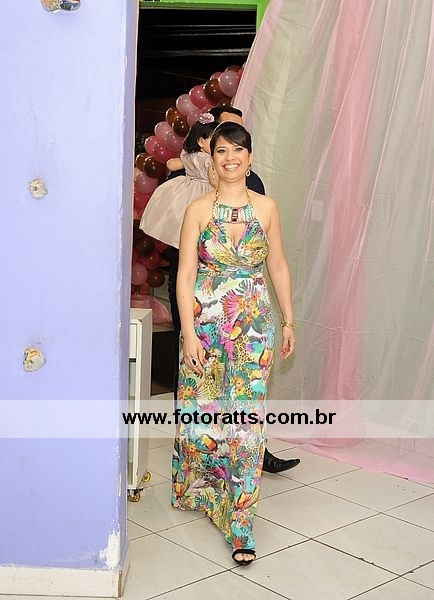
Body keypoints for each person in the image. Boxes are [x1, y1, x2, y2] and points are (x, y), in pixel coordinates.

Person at [172, 122, 295, 565]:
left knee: (246, 421)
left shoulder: (267, 208)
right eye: (222, 150)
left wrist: (289, 320)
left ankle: (241, 521)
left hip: (254, 328)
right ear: (213, 158)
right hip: (205, 325)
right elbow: (186, 274)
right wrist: (188, 332)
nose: (230, 158)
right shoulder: (198, 210)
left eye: (238, 150)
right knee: (203, 413)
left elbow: (278, 266)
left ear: (250, 157)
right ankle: (203, 490)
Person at [139, 114, 218, 248]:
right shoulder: (208, 160)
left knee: (181, 224)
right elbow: (214, 181)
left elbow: (172, 164)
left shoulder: (189, 155)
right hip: (204, 191)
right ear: (201, 141)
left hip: (187, 189)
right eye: (214, 140)